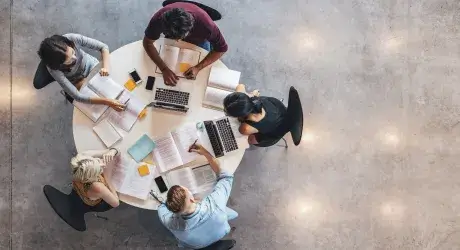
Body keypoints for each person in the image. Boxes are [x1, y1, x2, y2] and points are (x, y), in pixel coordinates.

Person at [157, 143, 237, 249]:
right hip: (221, 232)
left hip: (196, 246)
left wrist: (168, 202)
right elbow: (226, 177)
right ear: (192, 199)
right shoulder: (215, 203)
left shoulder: (171, 223)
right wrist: (206, 153)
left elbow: (161, 208)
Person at [143, 2, 228, 86]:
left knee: (200, 79)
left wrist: (198, 68)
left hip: (199, 40)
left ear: (190, 29)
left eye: (178, 38)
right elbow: (147, 43)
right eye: (175, 39)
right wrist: (164, 69)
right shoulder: (159, 19)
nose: (177, 42)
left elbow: (221, 49)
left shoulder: (207, 26)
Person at [37, 33, 125, 111]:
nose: (75, 58)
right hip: (76, 81)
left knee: (115, 85)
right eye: (69, 60)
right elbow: (77, 96)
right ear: (59, 65)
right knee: (97, 107)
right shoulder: (54, 70)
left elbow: (103, 47)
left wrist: (105, 68)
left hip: (91, 66)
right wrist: (107, 102)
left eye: (73, 52)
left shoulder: (72, 38)